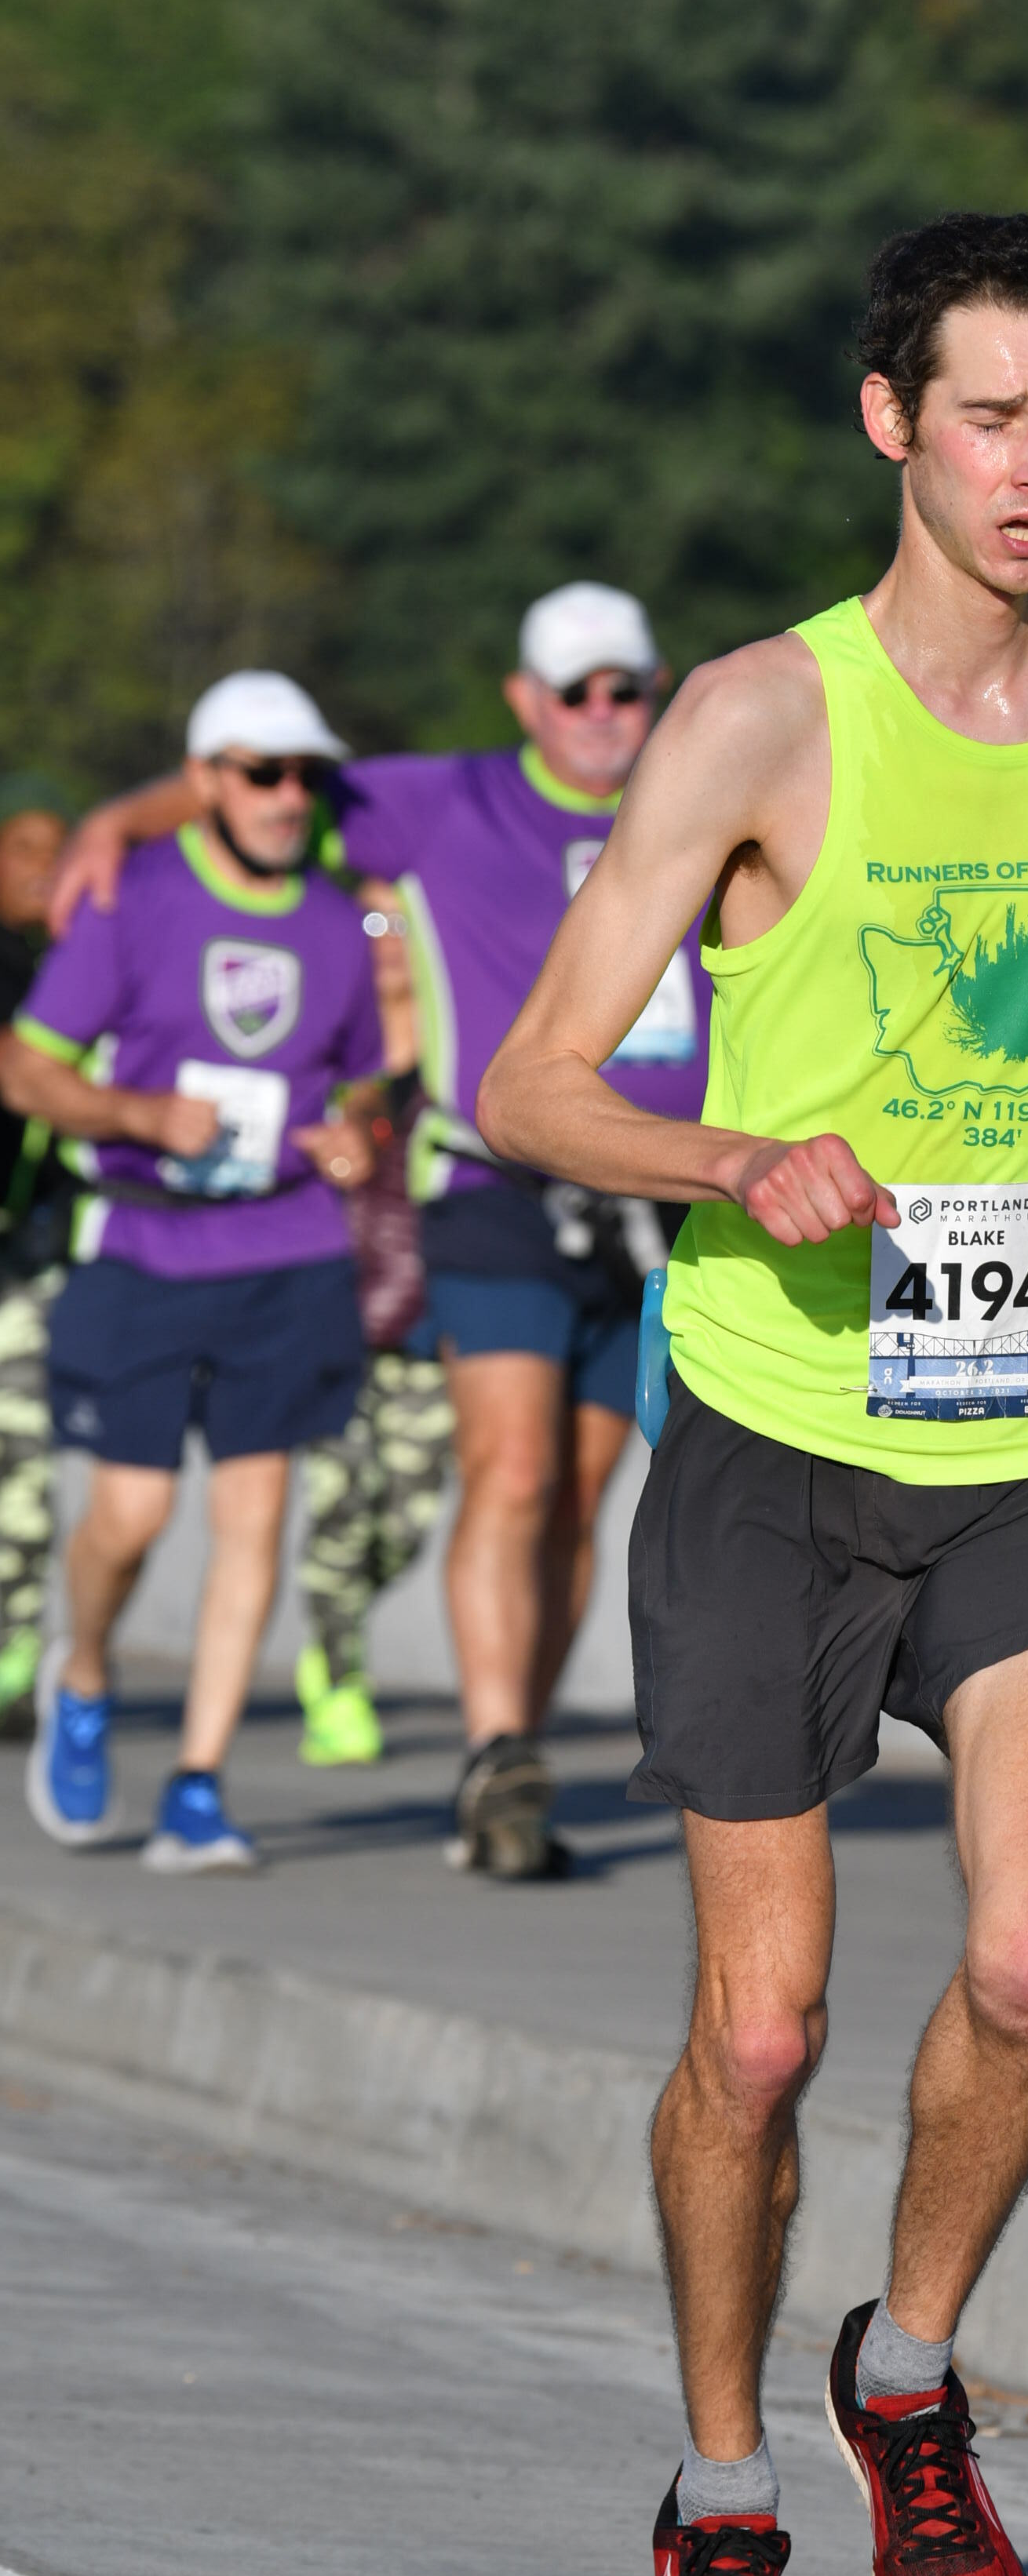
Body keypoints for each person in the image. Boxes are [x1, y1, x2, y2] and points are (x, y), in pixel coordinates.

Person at [479, 210, 1028, 2576]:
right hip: (769, 1422)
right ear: (891, 423)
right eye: (990, 417)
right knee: (761, 2033)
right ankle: (724, 2505)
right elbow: (528, 1085)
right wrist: (735, 1156)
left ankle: (910, 2378)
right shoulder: (758, 718)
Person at [53, 584, 703, 1879]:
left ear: (657, 691)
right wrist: (118, 822)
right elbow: (262, 780)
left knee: (580, 1497)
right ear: (525, 700)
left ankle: (511, 1765)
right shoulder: (450, 799)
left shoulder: (699, 793)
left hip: (659, 1196)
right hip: (495, 1185)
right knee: (510, 1472)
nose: (600, 713)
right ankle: (493, 1748)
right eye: (573, 691)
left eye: (624, 688)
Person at [1, 674, 381, 1870]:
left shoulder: (337, 922)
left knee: (254, 1515)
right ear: (207, 778)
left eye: (305, 774)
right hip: (145, 1243)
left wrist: (351, 1133)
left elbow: (360, 1080)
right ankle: (83, 1672)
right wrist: (137, 1114)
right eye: (263, 771)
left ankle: (199, 1785)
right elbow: (27, 1068)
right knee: (128, 1515)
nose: (287, 796)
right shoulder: (134, 897)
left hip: (288, 1248)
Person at [293, 883, 455, 1766]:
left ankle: (340, 1628)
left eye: (401, 921)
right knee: (341, 1508)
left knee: (407, 1520)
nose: (387, 938)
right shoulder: (322, 1041)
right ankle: (335, 1676)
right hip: (330, 1305)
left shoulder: (455, 1044)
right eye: (369, 920)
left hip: (429, 1314)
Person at [0, 775, 78, 1739]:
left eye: (59, 853)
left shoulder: (69, 964)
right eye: (24, 849)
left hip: (26, 1259)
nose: (44, 870)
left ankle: (13, 1658)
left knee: (22, 1461)